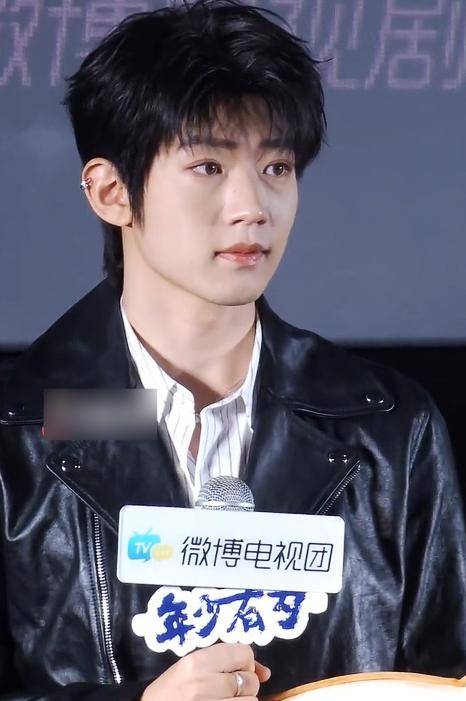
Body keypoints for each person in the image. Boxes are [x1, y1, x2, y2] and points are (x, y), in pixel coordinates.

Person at [0, 0, 465, 699]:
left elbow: (446, 673)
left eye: (276, 167)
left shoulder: (390, 429)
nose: (252, 206)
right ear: (112, 191)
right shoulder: (18, 431)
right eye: (209, 166)